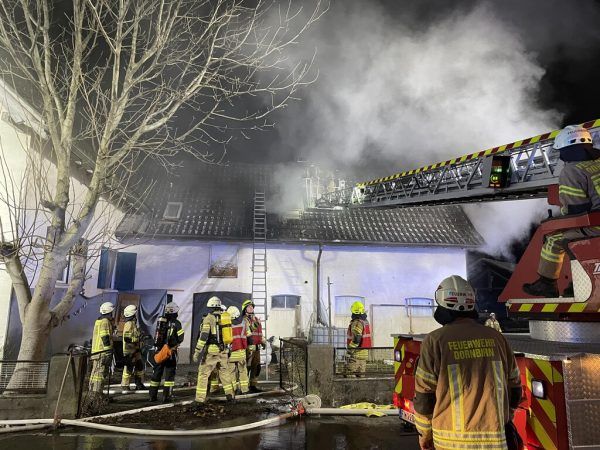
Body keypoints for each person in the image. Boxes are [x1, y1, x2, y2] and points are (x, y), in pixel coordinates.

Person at [414, 275, 522, 450]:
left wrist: (424, 433)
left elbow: (424, 396)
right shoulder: (497, 338)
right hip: (495, 441)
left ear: (442, 305)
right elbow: (515, 387)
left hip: (449, 443)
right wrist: (506, 417)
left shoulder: (434, 341)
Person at [524, 124, 600, 298]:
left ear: (565, 149)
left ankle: (547, 284)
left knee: (554, 239)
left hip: (596, 226)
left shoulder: (572, 171)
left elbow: (576, 211)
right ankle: (578, 282)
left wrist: (553, 222)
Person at [193, 296, 234, 404]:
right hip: (224, 351)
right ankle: (230, 396)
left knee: (203, 374)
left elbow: (203, 337)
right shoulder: (225, 317)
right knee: (225, 374)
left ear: (210, 306)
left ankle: (199, 399)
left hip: (212, 352)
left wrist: (197, 351)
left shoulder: (209, 318)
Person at [149, 301, 184, 403]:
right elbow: (181, 338)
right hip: (170, 352)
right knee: (169, 375)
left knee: (156, 373)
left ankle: (152, 396)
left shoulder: (161, 322)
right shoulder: (177, 323)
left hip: (159, 352)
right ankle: (166, 397)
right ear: (175, 312)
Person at [89, 302, 115, 393]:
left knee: (96, 373)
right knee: (99, 374)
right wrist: (108, 352)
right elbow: (105, 337)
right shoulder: (105, 322)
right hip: (102, 352)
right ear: (110, 312)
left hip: (97, 352)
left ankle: (94, 392)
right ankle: (96, 394)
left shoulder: (98, 321)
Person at [120, 304, 146, 393]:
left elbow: (134, 335)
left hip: (135, 349)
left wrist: (140, 335)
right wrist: (137, 339)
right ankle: (125, 385)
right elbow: (127, 339)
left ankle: (139, 384)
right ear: (132, 314)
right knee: (129, 368)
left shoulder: (133, 323)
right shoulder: (128, 324)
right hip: (130, 350)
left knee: (139, 366)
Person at [242, 299, 266, 393]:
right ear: (244, 309)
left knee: (256, 367)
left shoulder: (256, 319)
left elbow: (260, 333)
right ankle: (244, 387)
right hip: (248, 348)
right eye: (249, 306)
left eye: (252, 306)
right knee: (246, 368)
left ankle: (253, 385)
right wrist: (256, 324)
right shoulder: (244, 320)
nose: (251, 308)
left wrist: (263, 342)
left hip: (257, 348)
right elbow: (248, 331)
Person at [344, 301, 372, 377]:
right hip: (364, 355)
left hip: (355, 355)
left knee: (349, 376)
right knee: (361, 378)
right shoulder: (365, 322)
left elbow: (356, 339)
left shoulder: (357, 322)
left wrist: (349, 351)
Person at [227, 305, 250, 395]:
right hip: (241, 353)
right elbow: (249, 336)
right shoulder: (244, 322)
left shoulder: (227, 325)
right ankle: (244, 390)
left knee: (231, 372)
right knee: (243, 371)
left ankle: (234, 389)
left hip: (231, 353)